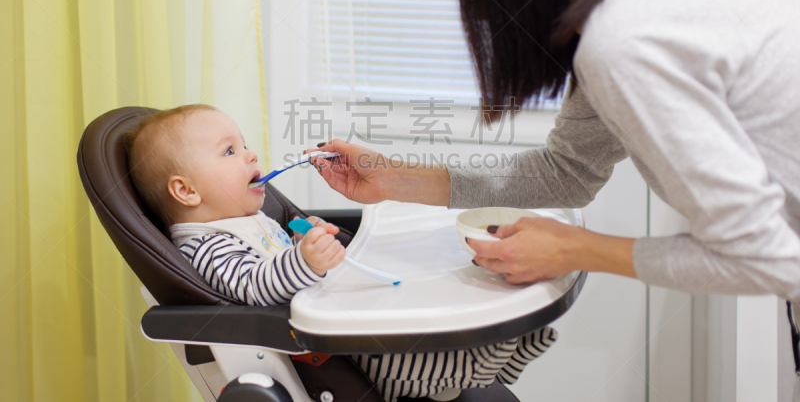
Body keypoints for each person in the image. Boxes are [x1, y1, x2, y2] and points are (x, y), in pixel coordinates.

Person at [309, 0, 800, 392]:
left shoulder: (624, 41)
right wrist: (395, 180)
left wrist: (575, 248)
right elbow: (567, 170)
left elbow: (768, 258)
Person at [124, 104, 558, 402]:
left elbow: (272, 259)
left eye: (243, 144)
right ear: (185, 189)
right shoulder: (205, 244)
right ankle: (469, 368)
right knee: (423, 355)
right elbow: (254, 286)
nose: (250, 154)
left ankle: (492, 353)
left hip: (341, 316)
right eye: (230, 151)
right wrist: (304, 261)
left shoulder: (244, 219)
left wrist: (301, 238)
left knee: (455, 327)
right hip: (337, 351)